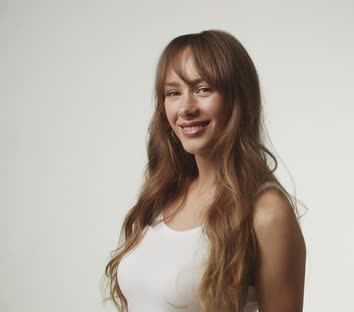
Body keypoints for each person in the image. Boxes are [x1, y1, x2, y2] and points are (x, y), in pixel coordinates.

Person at [102, 29, 307, 312]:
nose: (186, 107)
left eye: (203, 89)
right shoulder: (165, 196)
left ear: (238, 98)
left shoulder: (266, 211)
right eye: (173, 92)